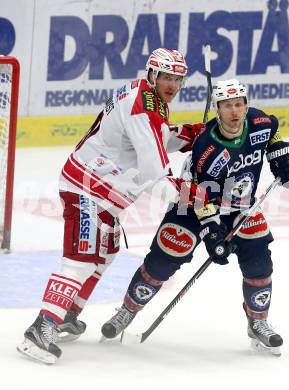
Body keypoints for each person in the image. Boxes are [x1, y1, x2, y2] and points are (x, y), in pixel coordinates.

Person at [17, 48, 206, 364]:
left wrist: (189, 135)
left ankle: (66, 314)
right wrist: (196, 194)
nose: (172, 85)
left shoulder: (147, 97)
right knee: (82, 257)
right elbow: (157, 181)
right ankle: (41, 328)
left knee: (105, 251)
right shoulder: (145, 109)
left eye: (177, 78)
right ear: (152, 75)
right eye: (166, 77)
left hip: (101, 187)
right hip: (86, 188)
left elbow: (150, 137)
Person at [99, 79, 289, 355]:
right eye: (227, 106)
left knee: (259, 261)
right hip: (194, 205)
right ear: (217, 109)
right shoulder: (208, 149)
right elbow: (201, 200)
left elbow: (273, 131)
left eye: (239, 105)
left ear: (246, 105)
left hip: (240, 207)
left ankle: (258, 323)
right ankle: (127, 310)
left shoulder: (258, 122)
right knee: (163, 258)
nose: (234, 112)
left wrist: (281, 150)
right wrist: (213, 233)